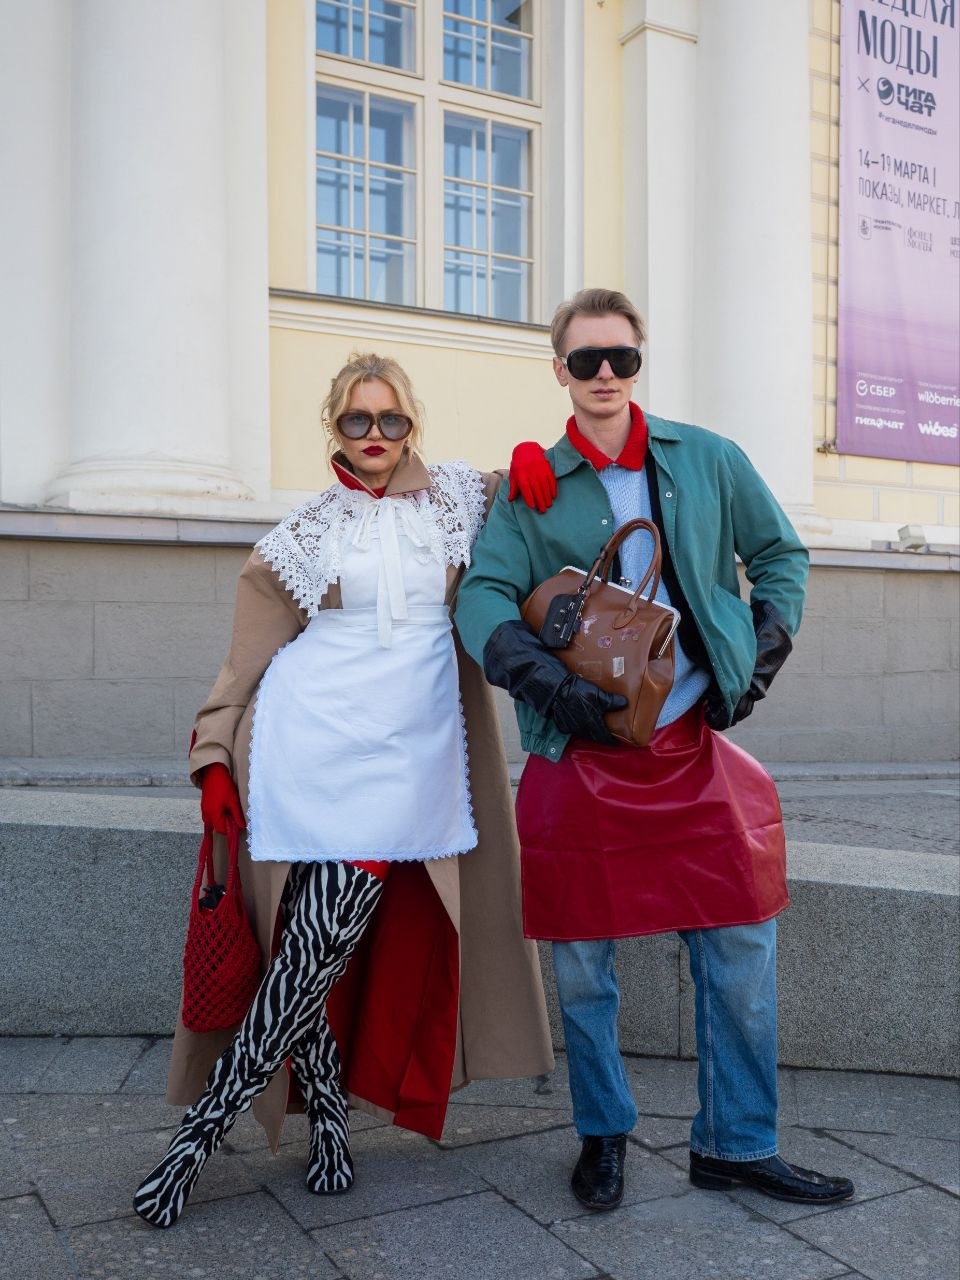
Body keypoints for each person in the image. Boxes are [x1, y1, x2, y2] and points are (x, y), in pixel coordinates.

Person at [454, 288, 855, 1213]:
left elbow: (781, 555)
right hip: (579, 755)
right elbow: (481, 594)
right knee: (583, 965)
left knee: (741, 941)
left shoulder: (708, 458)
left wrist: (759, 654)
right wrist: (539, 679)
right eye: (585, 360)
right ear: (558, 369)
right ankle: (603, 1136)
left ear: (640, 364)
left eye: (621, 358)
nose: (604, 374)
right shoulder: (530, 485)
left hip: (689, 747)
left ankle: (736, 1144)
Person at [133, 352, 554, 1229]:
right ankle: (310, 1127)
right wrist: (215, 756)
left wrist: (528, 457)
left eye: (390, 419)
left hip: (409, 759)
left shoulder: (461, 500)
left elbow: (550, 498)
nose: (375, 435)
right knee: (309, 950)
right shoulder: (301, 533)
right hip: (308, 747)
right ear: (334, 425)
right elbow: (245, 659)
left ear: (412, 423)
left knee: (312, 951)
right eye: (357, 420)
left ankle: (199, 1144)